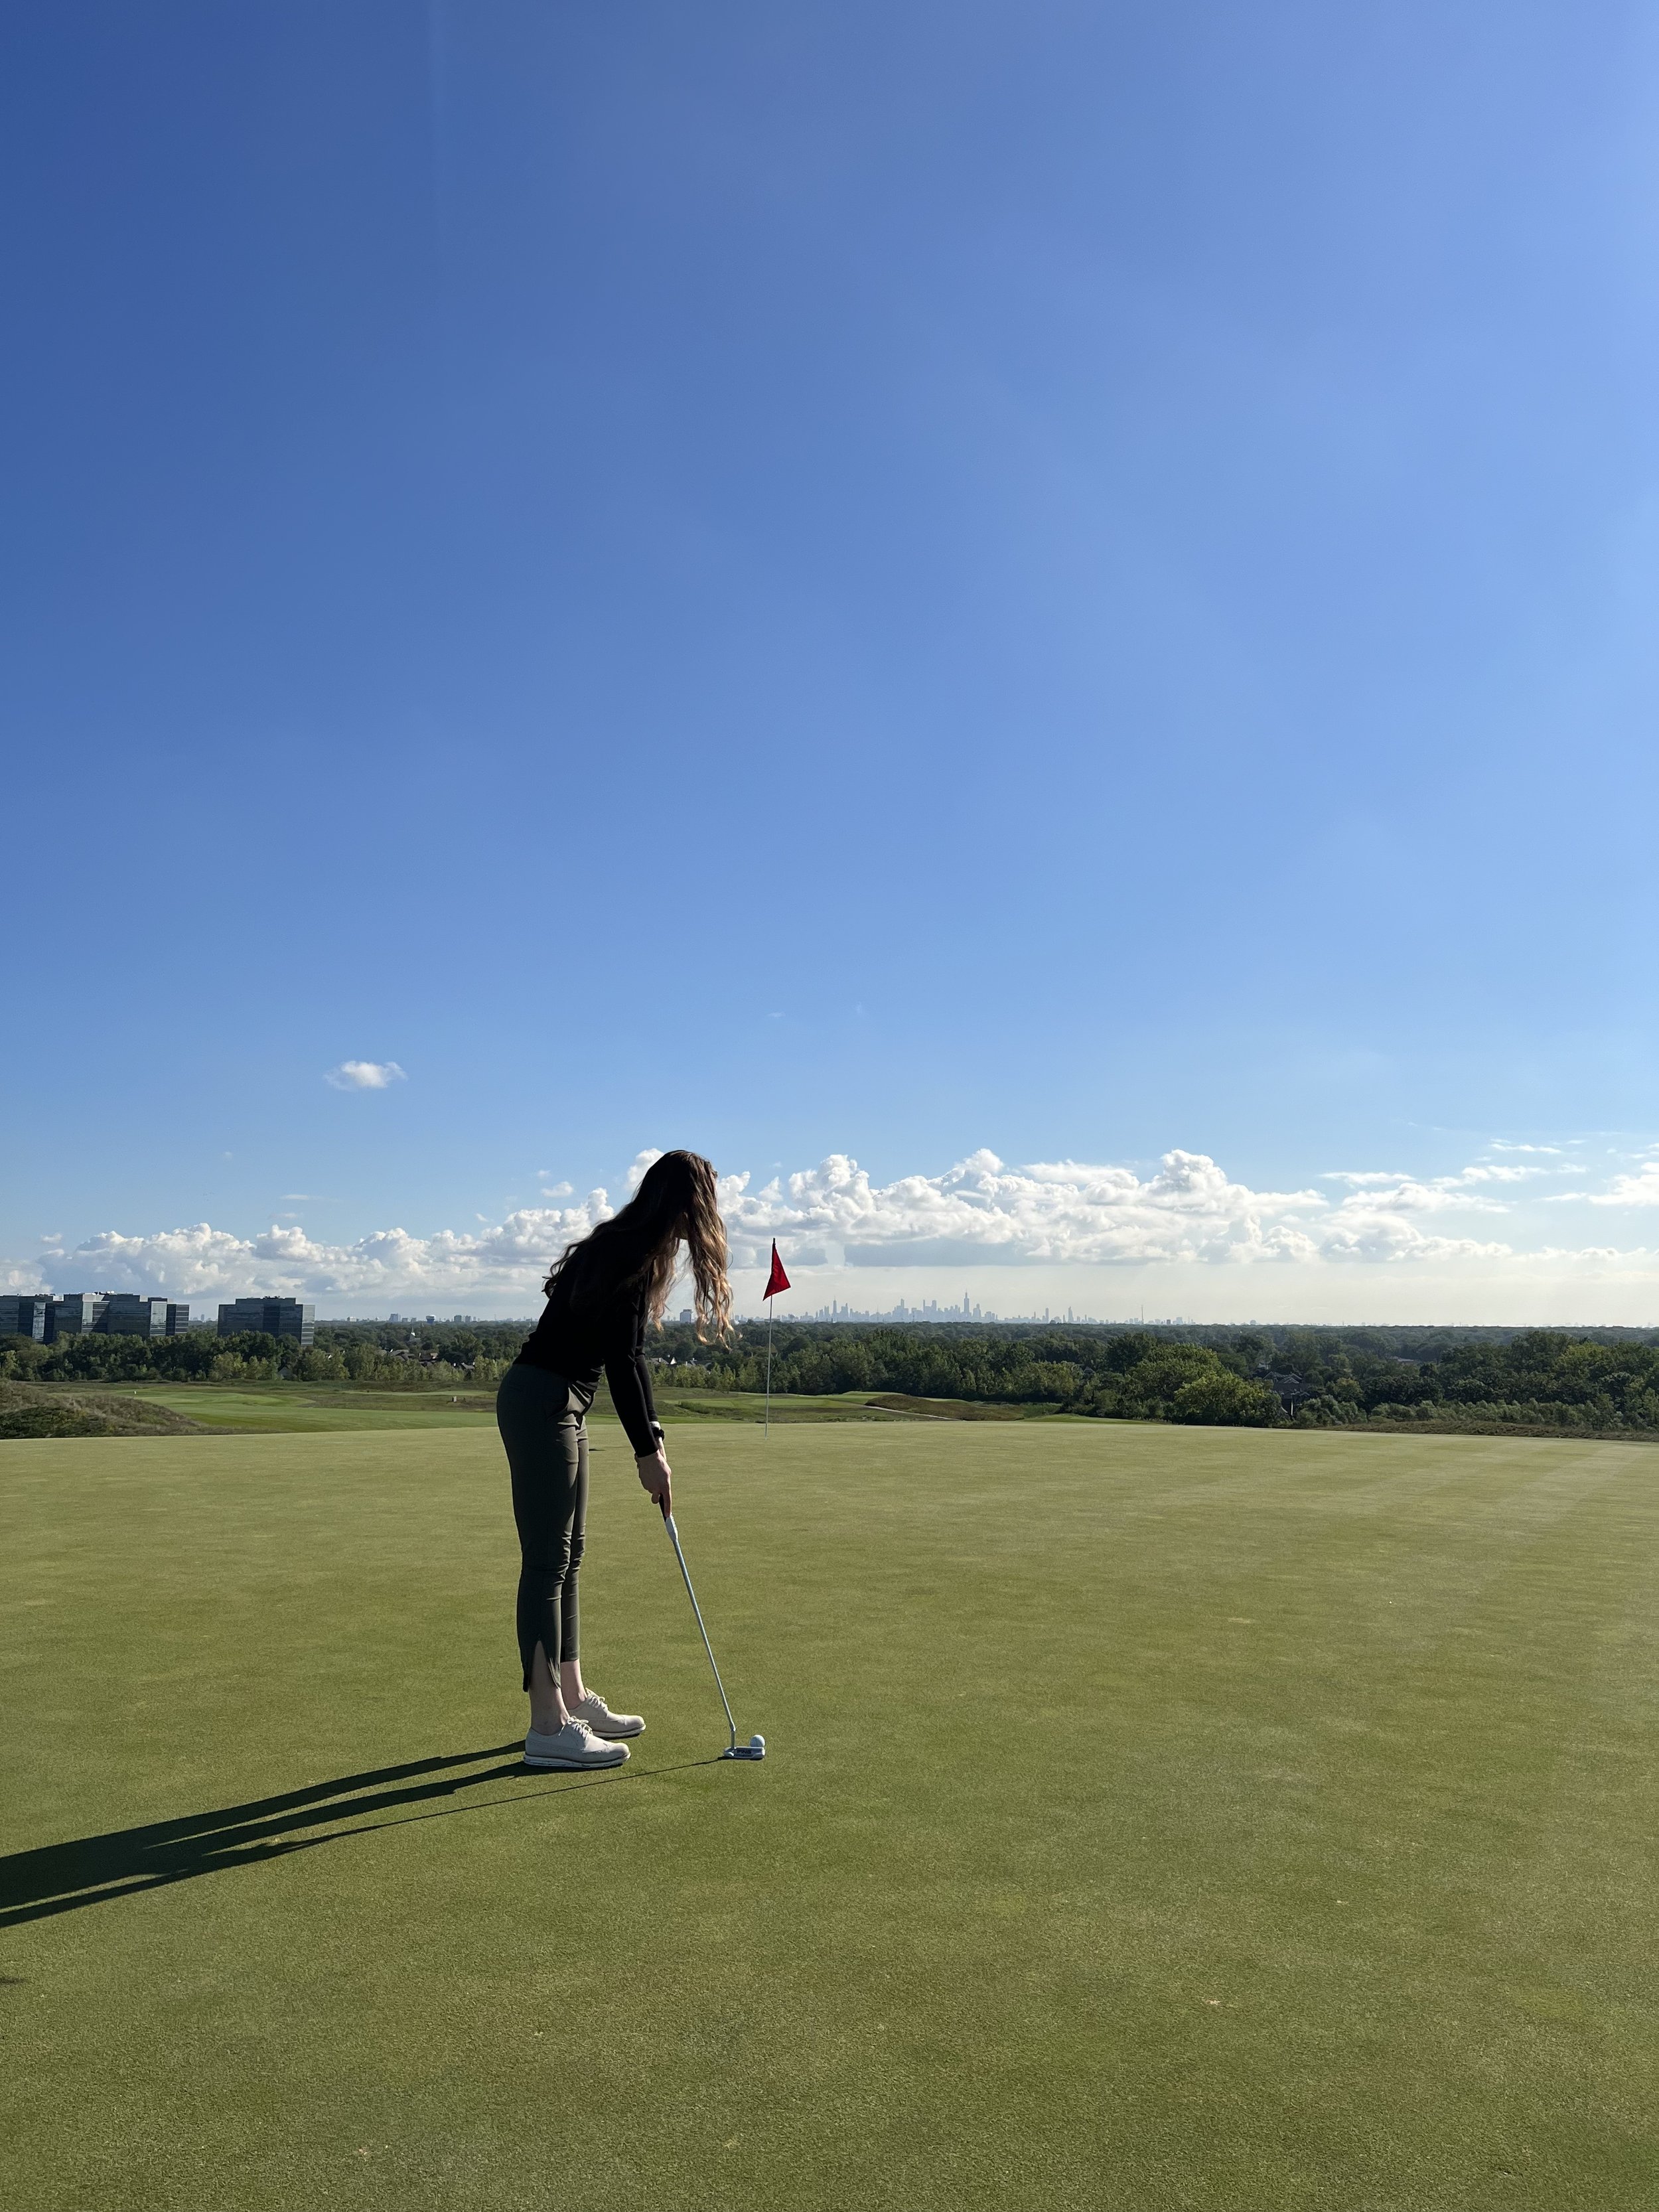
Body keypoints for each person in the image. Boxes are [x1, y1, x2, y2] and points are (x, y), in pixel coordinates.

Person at [495, 1149, 732, 1769]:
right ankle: (547, 1725)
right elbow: (622, 1364)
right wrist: (645, 1453)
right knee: (546, 1561)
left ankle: (572, 1696)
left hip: (566, 1401)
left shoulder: (634, 1248)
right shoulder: (627, 1252)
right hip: (542, 1399)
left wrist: (655, 1435)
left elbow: (632, 1355)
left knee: (570, 1554)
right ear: (684, 1204)